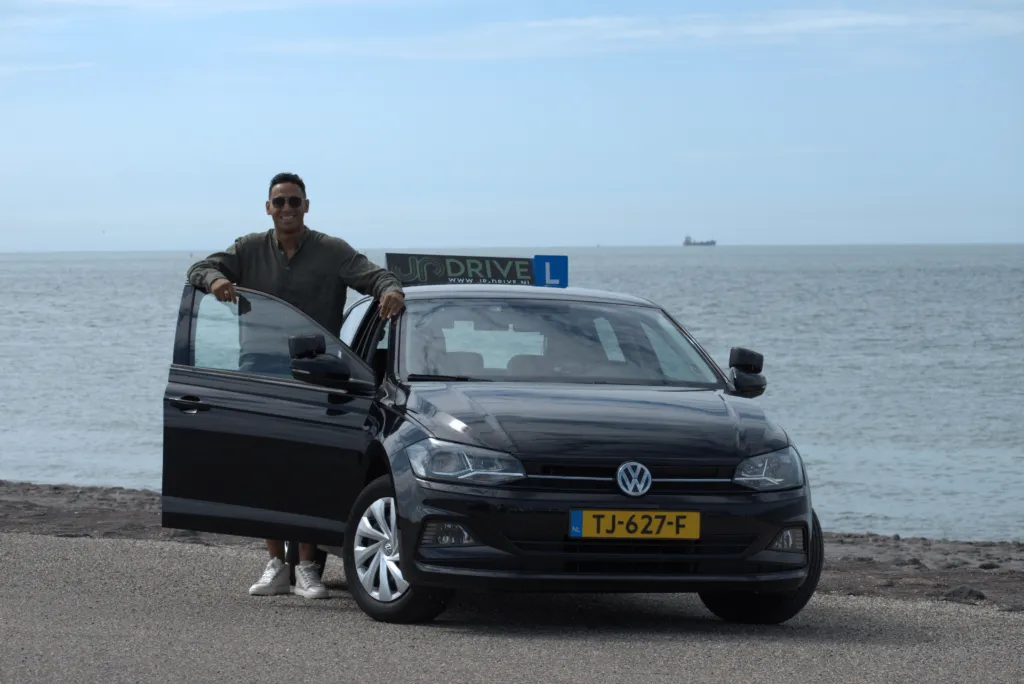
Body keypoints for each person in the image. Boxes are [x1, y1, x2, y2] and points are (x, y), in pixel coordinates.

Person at [185, 171, 406, 600]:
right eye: (279, 201)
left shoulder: (332, 250)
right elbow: (199, 268)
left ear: (306, 206)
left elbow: (377, 277)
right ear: (268, 208)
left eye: (294, 201)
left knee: (309, 466)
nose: (287, 208)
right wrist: (216, 281)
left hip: (315, 373)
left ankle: (306, 567)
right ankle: (276, 566)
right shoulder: (247, 249)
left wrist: (392, 291)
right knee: (265, 466)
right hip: (260, 372)